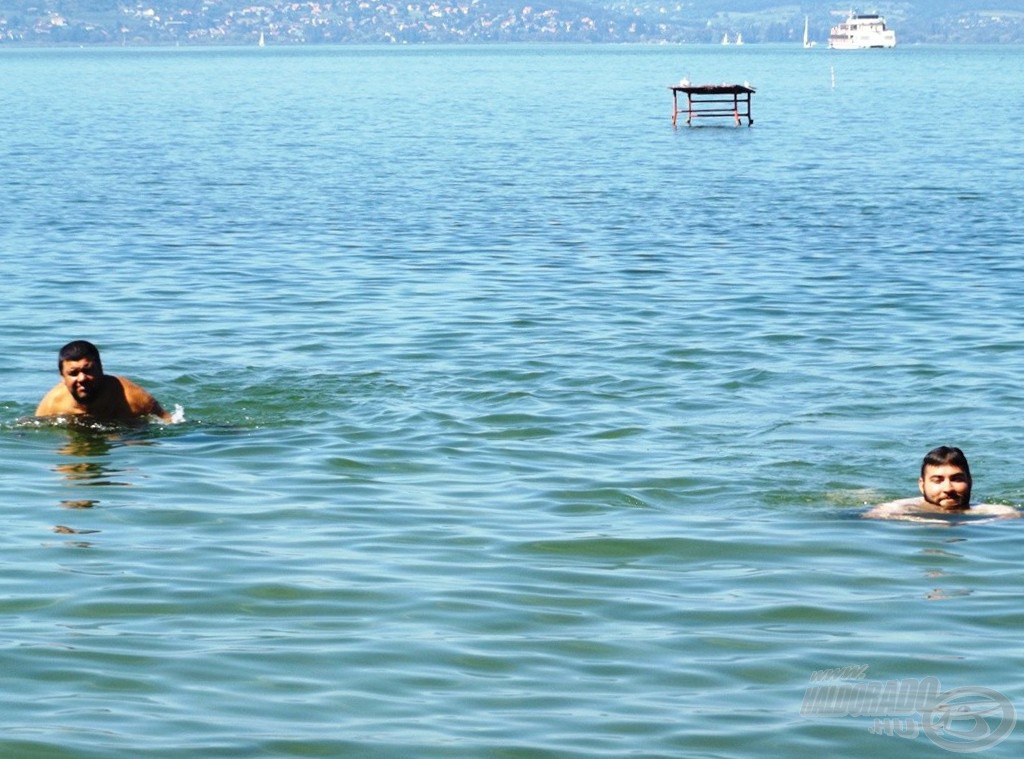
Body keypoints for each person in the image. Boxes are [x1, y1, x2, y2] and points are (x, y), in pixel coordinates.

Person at [864, 446, 1019, 522]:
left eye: (957, 479)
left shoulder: (997, 513)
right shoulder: (896, 510)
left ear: (970, 481)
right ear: (921, 485)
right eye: (937, 480)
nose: (948, 488)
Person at [35, 340, 172, 422]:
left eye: (88, 370)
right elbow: (31, 427)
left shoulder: (132, 397)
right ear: (62, 377)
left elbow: (169, 422)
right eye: (73, 373)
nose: (82, 378)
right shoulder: (53, 403)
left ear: (101, 369)